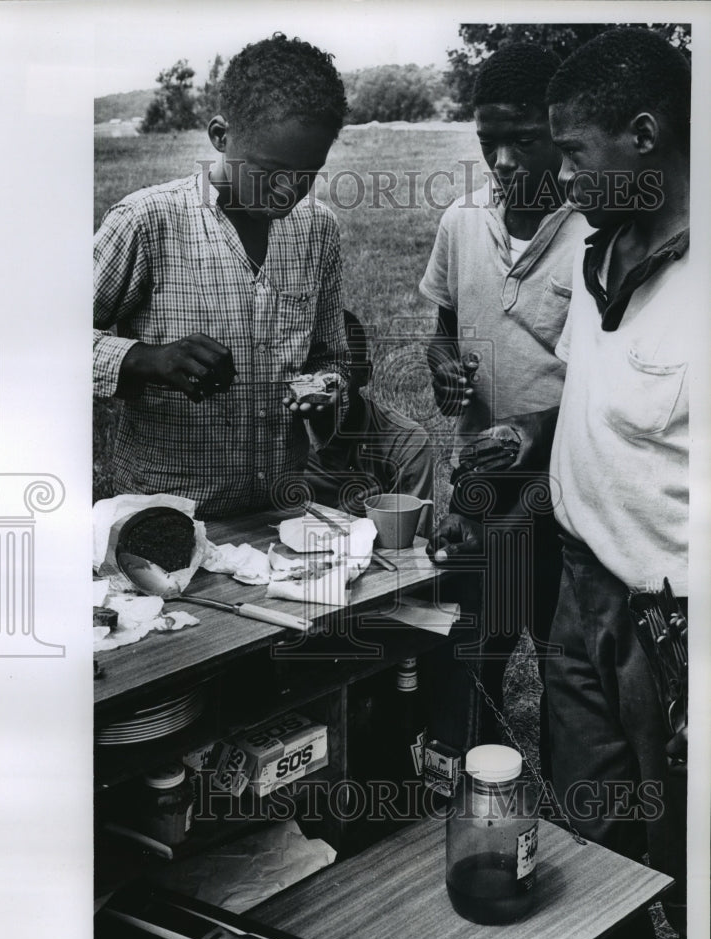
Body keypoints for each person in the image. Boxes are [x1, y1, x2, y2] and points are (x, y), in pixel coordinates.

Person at [541, 27, 690, 939]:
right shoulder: (595, 250)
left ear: (642, 133)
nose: (559, 175)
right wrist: (523, 436)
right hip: (580, 593)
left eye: (571, 149)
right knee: (590, 840)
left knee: (687, 845)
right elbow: (586, 397)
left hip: (674, 628)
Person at [93, 33, 350, 518]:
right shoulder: (148, 222)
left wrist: (325, 389)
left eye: (308, 174)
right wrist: (146, 360)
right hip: (164, 519)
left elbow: (331, 357)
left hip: (276, 515)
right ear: (220, 136)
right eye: (271, 170)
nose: (287, 191)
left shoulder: (319, 230)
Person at [420, 43, 590, 757]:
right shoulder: (463, 220)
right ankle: (469, 777)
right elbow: (444, 328)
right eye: (490, 142)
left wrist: (536, 428)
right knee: (472, 644)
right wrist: (442, 364)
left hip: (567, 491)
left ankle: (565, 812)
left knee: (564, 664)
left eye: (524, 140)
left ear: (560, 130)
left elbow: (606, 385)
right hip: (481, 484)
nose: (506, 162)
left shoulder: (594, 234)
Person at [303, 309, 434, 536]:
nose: (324, 383)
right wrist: (350, 518)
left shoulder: (406, 443)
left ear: (365, 374)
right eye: (312, 369)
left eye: (341, 370)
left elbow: (411, 547)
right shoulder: (281, 439)